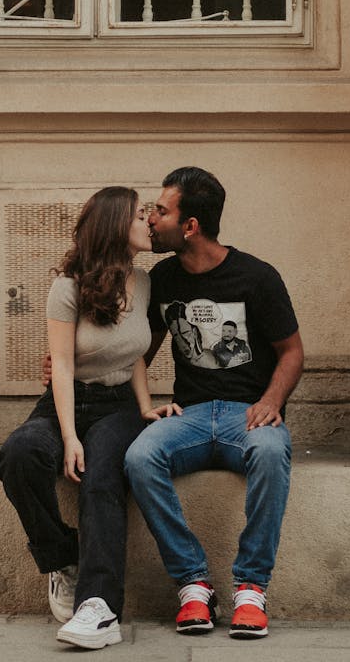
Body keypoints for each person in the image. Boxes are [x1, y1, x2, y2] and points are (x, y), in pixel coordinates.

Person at [124, 166, 304, 640]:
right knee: (141, 456)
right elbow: (136, 348)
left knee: (269, 451)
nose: (150, 218)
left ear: (190, 226)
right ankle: (193, 583)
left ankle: (250, 589)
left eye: (160, 211)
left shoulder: (257, 277)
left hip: (247, 413)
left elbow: (292, 353)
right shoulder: (162, 279)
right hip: (191, 415)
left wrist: (271, 400)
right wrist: (71, 359)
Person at [0, 186, 173, 650]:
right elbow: (63, 365)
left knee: (100, 476)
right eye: (140, 215)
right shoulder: (68, 286)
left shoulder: (146, 282)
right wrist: (70, 437)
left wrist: (143, 407)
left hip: (118, 407)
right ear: (117, 226)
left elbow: (136, 357)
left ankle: (100, 609)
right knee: (20, 454)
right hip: (67, 399)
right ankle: (61, 557)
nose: (149, 222)